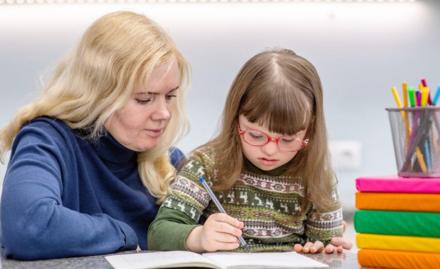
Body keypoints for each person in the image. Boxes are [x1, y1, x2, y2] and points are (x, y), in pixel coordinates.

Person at [0, 11, 190, 260]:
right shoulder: (48, 140)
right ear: (99, 94)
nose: (164, 113)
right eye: (144, 99)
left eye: (170, 96)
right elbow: (28, 226)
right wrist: (123, 234)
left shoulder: (170, 161)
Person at [148, 48, 352, 254]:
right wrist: (199, 237)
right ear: (236, 118)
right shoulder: (208, 166)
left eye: (288, 139)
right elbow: (159, 233)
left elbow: (326, 246)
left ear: (310, 127)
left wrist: (324, 250)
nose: (270, 149)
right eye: (256, 135)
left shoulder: (318, 179)